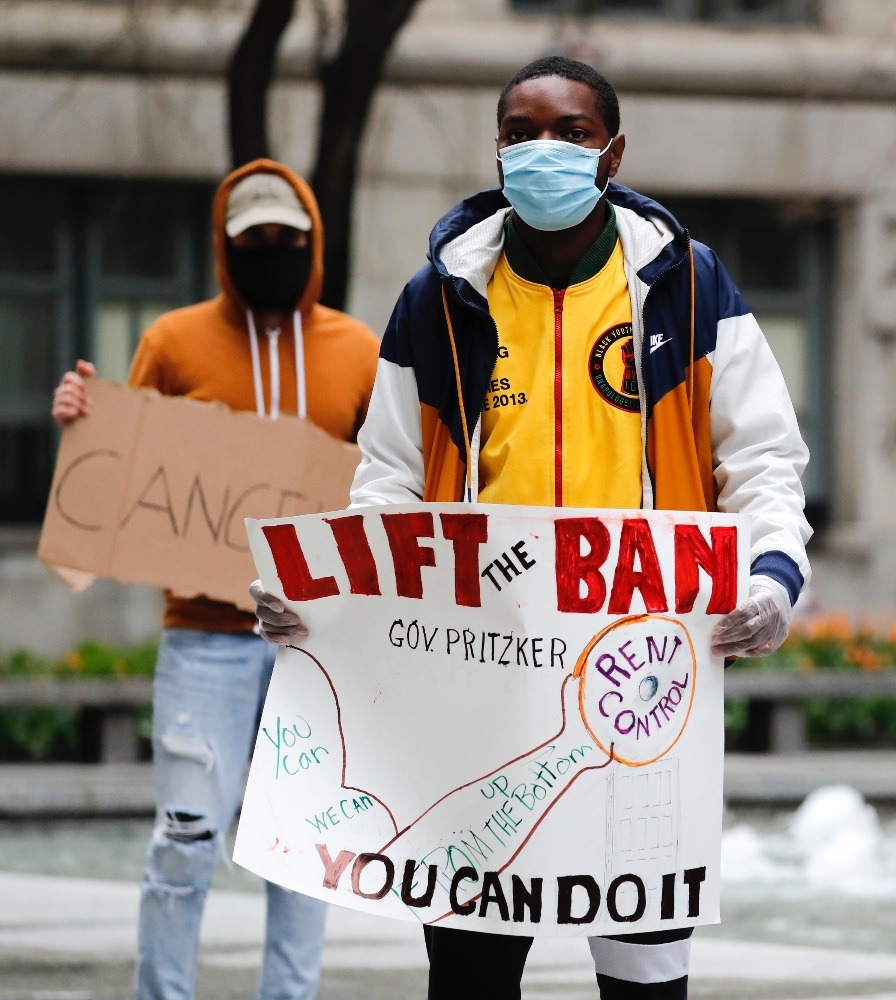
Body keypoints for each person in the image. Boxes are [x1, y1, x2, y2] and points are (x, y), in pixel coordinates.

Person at [251, 56, 811, 1000]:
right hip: (478, 675)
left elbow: (762, 462)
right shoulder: (437, 300)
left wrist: (771, 581)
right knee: (469, 973)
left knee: (644, 975)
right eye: (521, 132)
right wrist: (332, 603)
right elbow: (388, 481)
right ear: (498, 149)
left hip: (644, 677)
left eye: (572, 132)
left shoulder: (689, 287)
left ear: (613, 151)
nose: (542, 150)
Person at [51, 160, 380, 1000]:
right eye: (254, 240)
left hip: (320, 647)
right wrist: (87, 423)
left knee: (307, 848)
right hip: (202, 638)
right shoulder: (172, 340)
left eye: (286, 239)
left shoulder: (359, 352)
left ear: (313, 243)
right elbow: (121, 476)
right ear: (224, 248)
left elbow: (390, 484)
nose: (271, 250)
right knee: (185, 837)